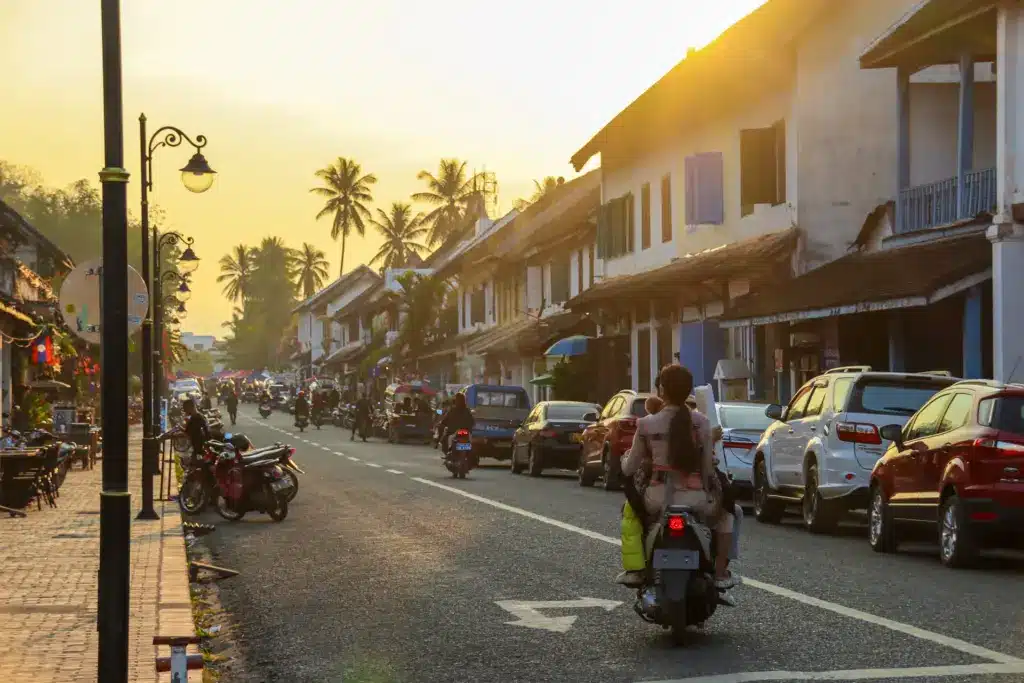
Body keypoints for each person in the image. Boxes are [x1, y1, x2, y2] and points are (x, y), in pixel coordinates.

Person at [617, 364, 738, 603]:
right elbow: (706, 468)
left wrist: (623, 461)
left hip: (657, 498)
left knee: (630, 513)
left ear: (661, 389)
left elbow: (630, 468)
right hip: (696, 499)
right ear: (688, 390)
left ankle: (637, 570)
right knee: (729, 516)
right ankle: (721, 573)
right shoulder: (701, 422)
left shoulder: (646, 424)